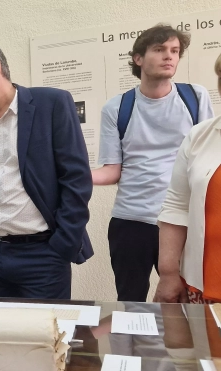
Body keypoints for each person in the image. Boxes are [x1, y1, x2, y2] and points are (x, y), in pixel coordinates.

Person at [0, 35, 93, 299]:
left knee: (46, 336)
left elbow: (76, 179)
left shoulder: (52, 104)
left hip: (42, 254)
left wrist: (63, 244)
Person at [92, 24, 214, 302]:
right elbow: (112, 170)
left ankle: (178, 348)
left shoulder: (194, 97)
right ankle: (130, 347)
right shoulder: (117, 107)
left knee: (183, 302)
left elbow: (208, 158)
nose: (169, 56)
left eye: (174, 51)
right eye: (159, 50)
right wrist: (70, 176)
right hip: (130, 220)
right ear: (138, 59)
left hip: (181, 219)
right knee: (130, 302)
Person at [153, 53, 221, 304]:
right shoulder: (201, 136)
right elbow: (176, 206)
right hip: (204, 287)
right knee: (204, 345)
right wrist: (169, 274)